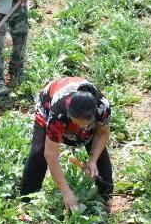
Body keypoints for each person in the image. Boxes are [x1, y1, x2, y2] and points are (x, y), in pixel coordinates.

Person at [21, 77, 114, 211]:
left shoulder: (102, 107)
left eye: (85, 125)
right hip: (48, 102)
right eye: (75, 124)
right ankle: (26, 200)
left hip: (82, 116)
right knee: (38, 152)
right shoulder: (58, 112)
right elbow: (51, 155)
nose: (79, 129)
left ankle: (106, 196)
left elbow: (103, 132)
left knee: (99, 155)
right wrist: (66, 191)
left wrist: (92, 160)